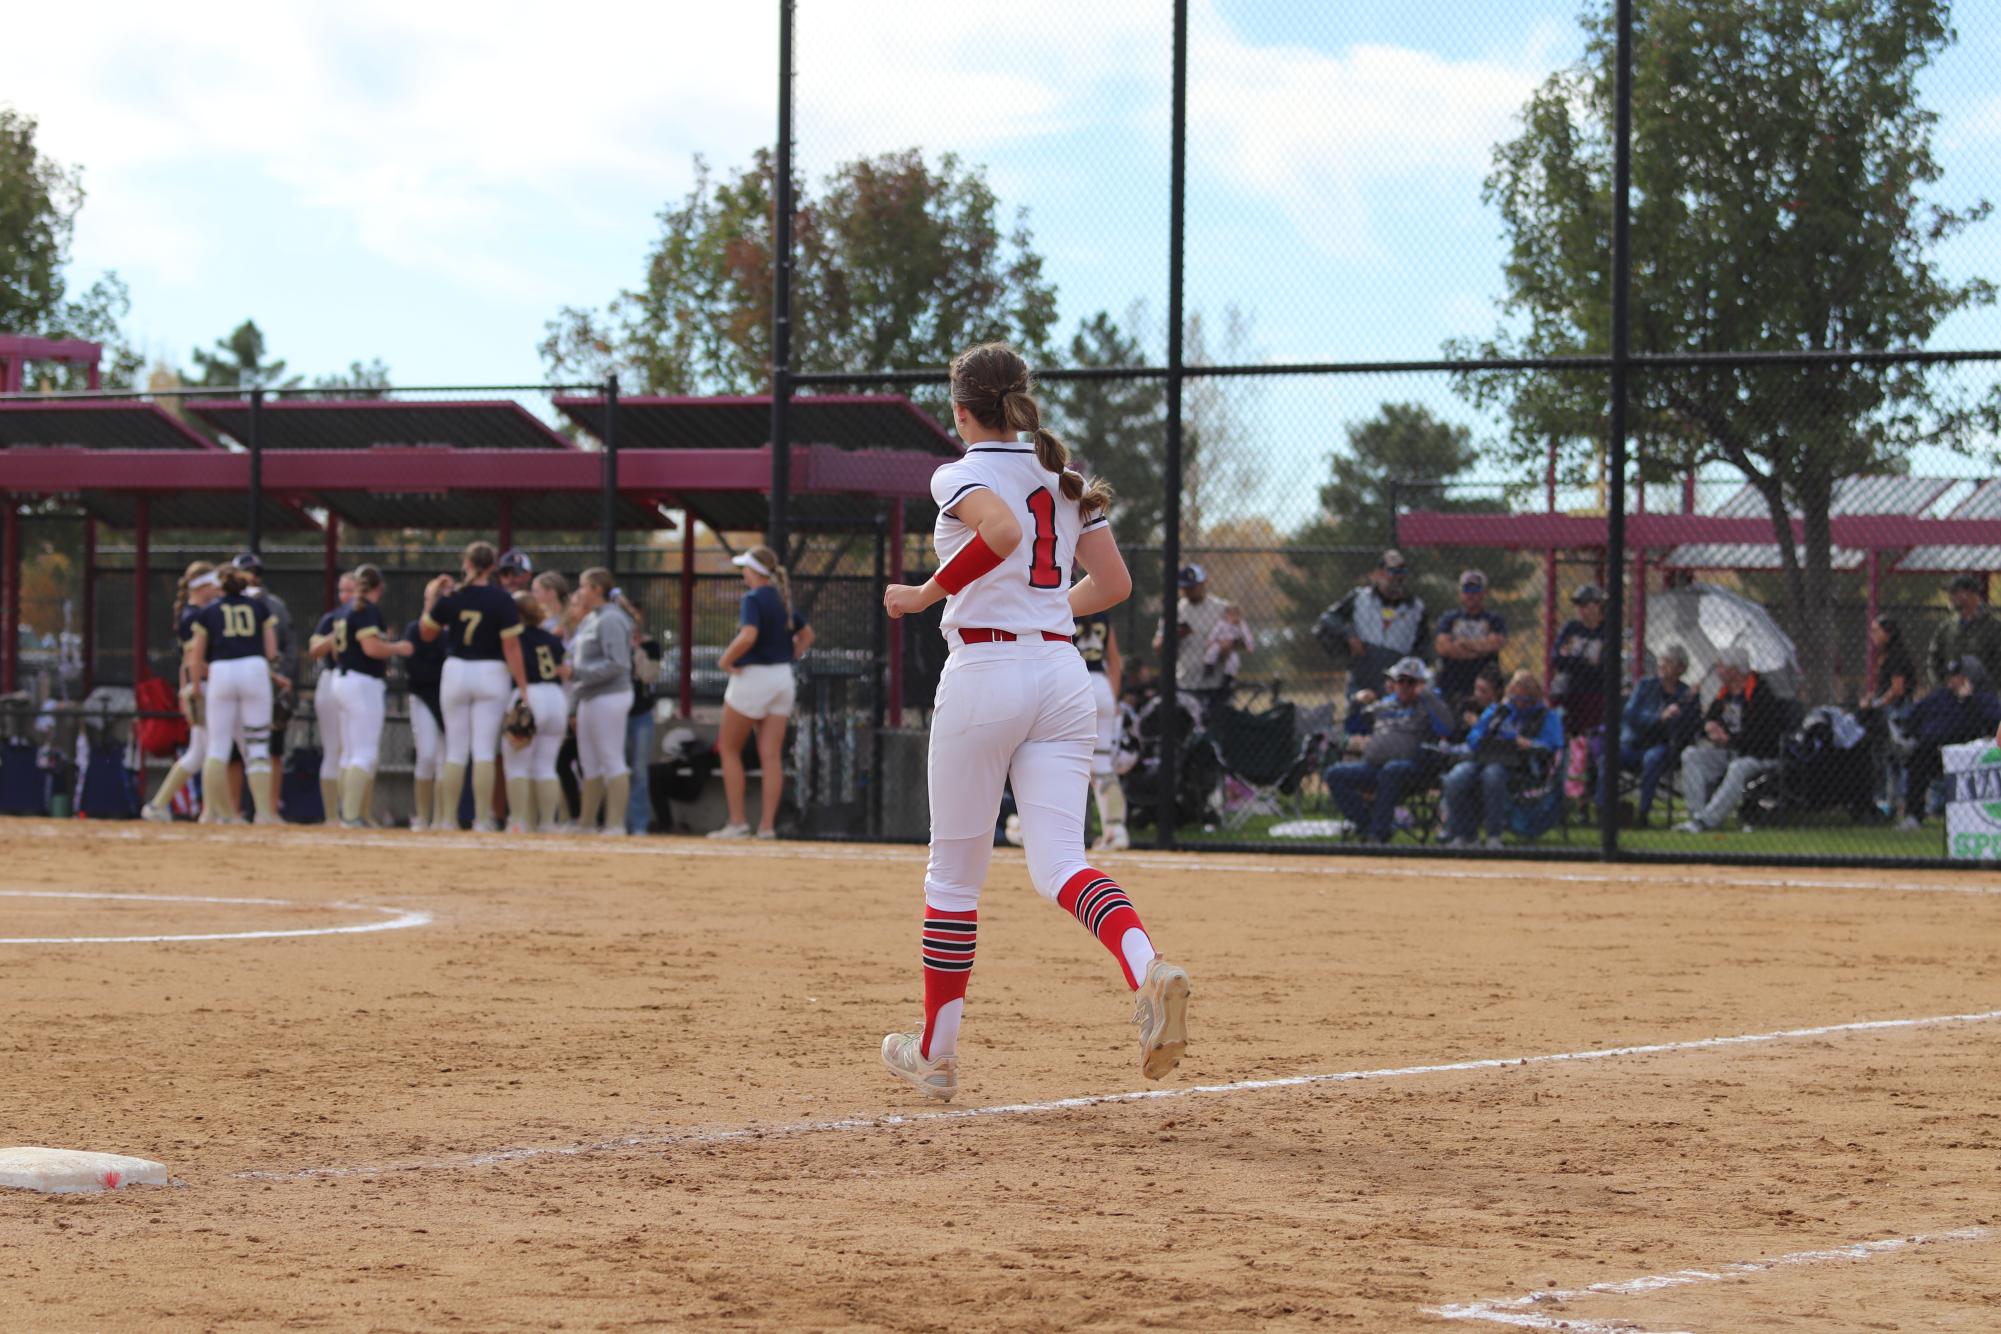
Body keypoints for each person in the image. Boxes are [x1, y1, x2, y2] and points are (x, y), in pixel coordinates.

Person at [877, 340, 1189, 1102]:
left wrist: (923, 594)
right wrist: (1046, 610)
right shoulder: (1063, 476)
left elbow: (1002, 534)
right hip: (1061, 674)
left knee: (953, 877)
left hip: (987, 671)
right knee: (1059, 864)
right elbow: (1110, 583)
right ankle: (1145, 967)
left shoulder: (959, 471)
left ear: (959, 410)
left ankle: (937, 1059)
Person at [420, 541, 528, 833]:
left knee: (455, 751)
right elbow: (512, 645)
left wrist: (432, 597)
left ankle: (447, 819)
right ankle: (482, 819)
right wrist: (523, 688)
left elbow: (426, 633)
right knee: (483, 750)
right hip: (491, 672)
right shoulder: (501, 599)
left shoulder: (453, 595)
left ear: (466, 564)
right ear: (492, 567)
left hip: (456, 670)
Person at [711, 545, 814, 840]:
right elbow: (807, 635)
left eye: (745, 567)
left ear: (753, 571)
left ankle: (738, 821)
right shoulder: (782, 600)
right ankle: (766, 827)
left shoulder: (754, 598)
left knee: (729, 750)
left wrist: (726, 660)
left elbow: (748, 635)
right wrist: (790, 654)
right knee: (770, 757)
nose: (743, 572)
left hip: (753, 677)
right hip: (782, 678)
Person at [188, 566, 289, 825]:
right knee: (256, 744)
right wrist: (272, 673)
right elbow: (271, 651)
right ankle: (264, 814)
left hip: (221, 672)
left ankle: (211, 813)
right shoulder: (259, 607)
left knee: (217, 745)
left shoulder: (209, 610)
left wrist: (196, 686)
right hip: (254, 670)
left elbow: (197, 655)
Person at [1323, 657, 1454, 844]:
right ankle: (1367, 825)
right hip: (1374, 767)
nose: (1405, 686)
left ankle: (1379, 834)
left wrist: (1426, 695)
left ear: (1421, 684)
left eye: (1411, 682)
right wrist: (1357, 703)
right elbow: (1353, 727)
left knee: (1392, 769)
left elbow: (1446, 728)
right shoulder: (1385, 705)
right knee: (1334, 774)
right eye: (1401, 681)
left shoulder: (1428, 705)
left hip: (1412, 770)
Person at [1440, 669, 1564, 849]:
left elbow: (1553, 744)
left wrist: (1528, 743)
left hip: (1521, 766)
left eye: (1526, 700)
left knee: (1493, 775)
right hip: (1484, 758)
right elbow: (1474, 737)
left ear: (1535, 698)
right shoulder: (1498, 711)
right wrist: (1488, 739)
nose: (1520, 704)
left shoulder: (1546, 716)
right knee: (1457, 777)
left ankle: (1493, 835)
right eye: (1516, 699)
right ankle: (1465, 835)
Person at [141, 563, 223, 822]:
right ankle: (209, 811)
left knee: (199, 752)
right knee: (210, 750)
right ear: (202, 587)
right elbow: (191, 660)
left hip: (198, 684)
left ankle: (159, 804)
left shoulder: (196, 613)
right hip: (203, 686)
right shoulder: (194, 616)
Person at [329, 564, 408, 829]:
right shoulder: (366, 610)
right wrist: (399, 647)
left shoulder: (344, 610)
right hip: (362, 682)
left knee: (349, 752)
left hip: (343, 680)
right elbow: (372, 648)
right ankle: (351, 816)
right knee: (364, 751)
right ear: (380, 588)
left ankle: (350, 813)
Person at [1675, 647, 1787, 833]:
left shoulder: (1761, 693)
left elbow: (1764, 737)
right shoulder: (1724, 693)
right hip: (1729, 751)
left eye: (1720, 666)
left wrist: (1729, 739)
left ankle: (1706, 822)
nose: (1717, 670)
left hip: (1757, 755)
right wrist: (1708, 727)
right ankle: (1696, 816)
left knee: (1739, 767)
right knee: (1691, 755)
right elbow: (1708, 721)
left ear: (1734, 670)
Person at [568, 568, 637, 836]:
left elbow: (618, 664)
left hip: (610, 695)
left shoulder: (610, 618)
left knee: (611, 758)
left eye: (584, 586)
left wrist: (577, 673)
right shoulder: (591, 619)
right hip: (590, 696)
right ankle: (587, 822)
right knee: (589, 761)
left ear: (597, 589)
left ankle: (615, 823)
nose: (579, 592)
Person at [228, 552, 293, 824]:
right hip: (243, 682)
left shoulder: (274, 605)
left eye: (256, 572)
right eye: (246, 572)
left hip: (263, 684)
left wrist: (282, 678)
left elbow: (287, 645)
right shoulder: (227, 603)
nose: (252, 577)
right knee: (233, 752)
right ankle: (232, 811)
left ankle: (268, 810)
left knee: (270, 749)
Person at [1899, 655, 2001, 829]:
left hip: (1967, 758)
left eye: (1958, 676)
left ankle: (1971, 820)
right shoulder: (1940, 696)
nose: (1952, 680)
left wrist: (1969, 700)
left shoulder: (1983, 700)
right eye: (1951, 676)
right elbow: (1913, 717)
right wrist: (1909, 735)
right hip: (1934, 752)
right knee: (1918, 759)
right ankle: (1913, 816)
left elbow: (1994, 721)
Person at [1319, 550, 1428, 699]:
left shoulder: (1416, 607)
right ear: (1379, 573)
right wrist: (1349, 634)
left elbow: (1423, 647)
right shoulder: (1359, 598)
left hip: (1397, 676)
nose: (1398, 576)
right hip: (1363, 670)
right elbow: (1328, 619)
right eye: (1393, 570)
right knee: (1358, 713)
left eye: (1402, 571)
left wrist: (1407, 678)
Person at [503, 592, 570, 834]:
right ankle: (548, 823)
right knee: (546, 766)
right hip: (556, 697)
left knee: (518, 765)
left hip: (530, 695)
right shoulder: (551, 638)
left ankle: (518, 822)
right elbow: (563, 666)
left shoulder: (515, 636)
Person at [1153, 563, 1252, 713]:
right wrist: (1174, 635)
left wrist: (1229, 644)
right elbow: (1158, 647)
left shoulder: (1223, 608)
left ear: (1204, 583)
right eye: (1185, 587)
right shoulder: (1175, 610)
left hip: (1217, 684)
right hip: (1185, 682)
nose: (1189, 591)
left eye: (1193, 586)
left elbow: (1244, 642)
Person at [1619, 644, 1699, 825]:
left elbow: (1691, 728)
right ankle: (1604, 808)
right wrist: (1659, 718)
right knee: (1610, 754)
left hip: (1664, 747)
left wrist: (1681, 713)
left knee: (1653, 758)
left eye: (1668, 662)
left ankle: (1643, 814)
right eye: (1661, 660)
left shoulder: (1686, 694)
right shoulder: (1645, 686)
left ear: (1680, 669)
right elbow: (1631, 716)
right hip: (1635, 743)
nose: (1662, 665)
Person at [305, 572, 359, 822]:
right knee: (333, 749)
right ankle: (331, 816)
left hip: (356, 681)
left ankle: (355, 813)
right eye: (342, 591)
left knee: (356, 749)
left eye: (350, 590)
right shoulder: (332, 618)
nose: (345, 596)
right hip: (331, 680)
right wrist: (336, 633)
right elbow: (314, 650)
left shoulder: (366, 616)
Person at [1074, 610, 1129, 851]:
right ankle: (1115, 830)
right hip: (1101, 686)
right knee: (1103, 764)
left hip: (1073, 684)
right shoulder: (1103, 613)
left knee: (1062, 760)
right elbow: (1115, 661)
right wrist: (1113, 698)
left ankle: (1034, 828)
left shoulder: (1062, 603)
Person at [401, 576, 453, 831]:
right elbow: (415, 669)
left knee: (447, 758)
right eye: (437, 597)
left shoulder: (454, 632)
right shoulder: (415, 629)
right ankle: (422, 816)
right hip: (423, 697)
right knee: (427, 755)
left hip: (448, 698)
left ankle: (442, 818)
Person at [1550, 583, 1609, 800]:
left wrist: (1573, 661)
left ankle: (1587, 795)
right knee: (1565, 743)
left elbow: (1604, 669)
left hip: (1595, 698)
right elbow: (1556, 659)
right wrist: (1585, 663)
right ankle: (1561, 792)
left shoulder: (1607, 631)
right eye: (1579, 605)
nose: (1582, 610)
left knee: (1592, 745)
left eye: (1587, 605)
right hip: (1569, 694)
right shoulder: (1571, 628)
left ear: (1598, 606)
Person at [1432, 569, 1507, 707]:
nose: (1471, 594)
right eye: (1466, 589)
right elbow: (1443, 648)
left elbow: (1494, 645)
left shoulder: (1494, 619)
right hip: (1452, 682)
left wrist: (1463, 643)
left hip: (1483, 683)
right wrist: (1478, 650)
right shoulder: (1449, 618)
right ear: (1460, 593)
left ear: (1484, 592)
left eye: (1476, 589)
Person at [1927, 574, 2001, 689]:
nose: (1950, 597)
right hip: (1951, 693)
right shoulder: (1947, 627)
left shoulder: (1993, 627)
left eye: (1954, 592)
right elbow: (1933, 660)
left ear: (1970, 595)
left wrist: (1984, 686)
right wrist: (1944, 685)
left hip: (1983, 695)